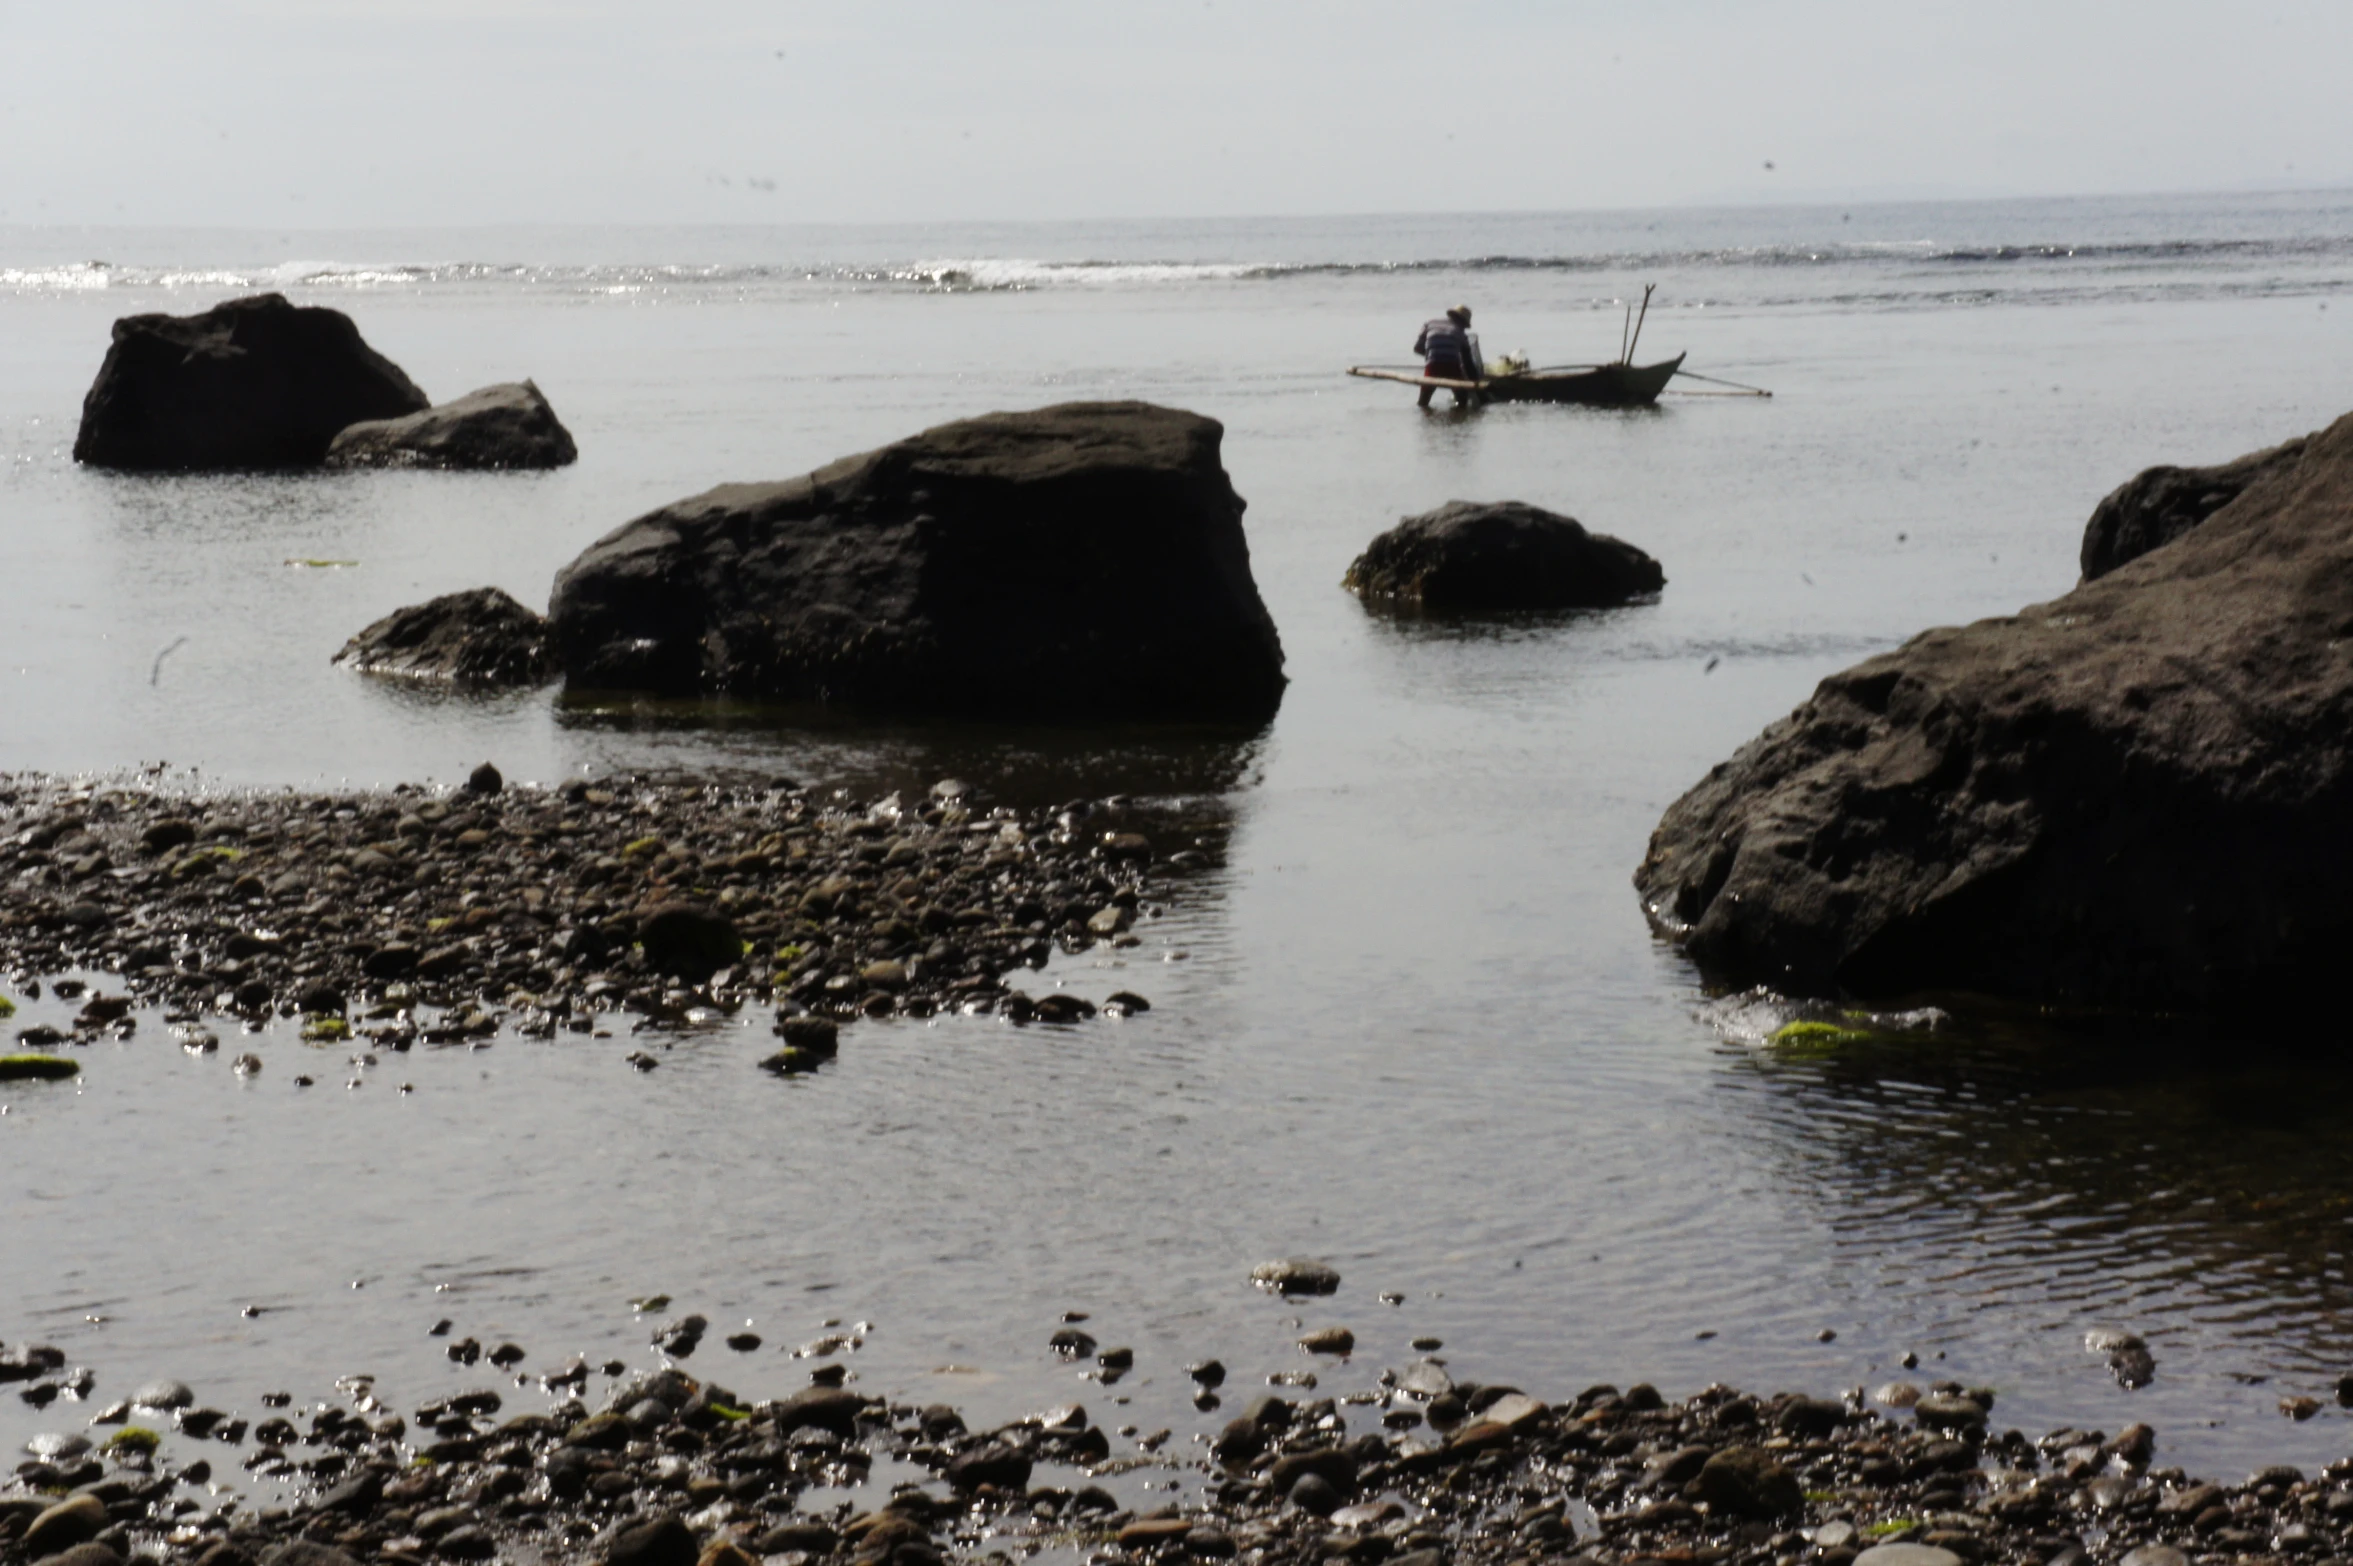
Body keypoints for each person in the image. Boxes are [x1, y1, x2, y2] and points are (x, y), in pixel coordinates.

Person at [1413, 306, 1484, 407]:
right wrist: (1476, 383)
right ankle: (1459, 415)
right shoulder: (1460, 332)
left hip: (1432, 367)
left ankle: (1424, 413)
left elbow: (1417, 349)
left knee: (1423, 402)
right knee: (1462, 400)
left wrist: (1431, 355)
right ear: (1463, 322)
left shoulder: (1429, 323)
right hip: (1451, 367)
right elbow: (1468, 363)